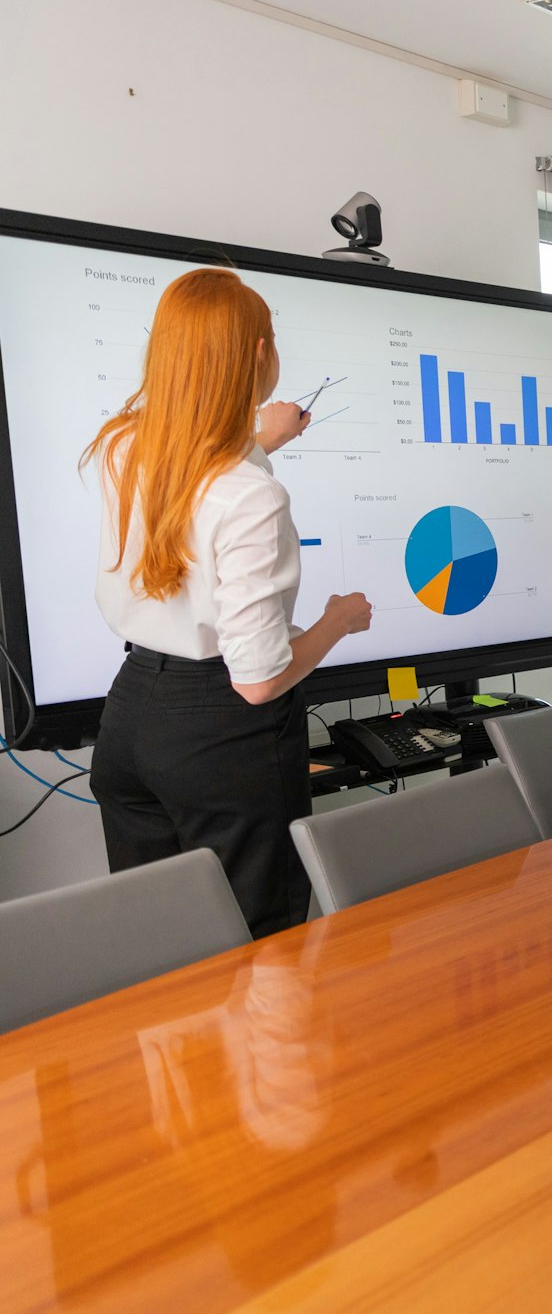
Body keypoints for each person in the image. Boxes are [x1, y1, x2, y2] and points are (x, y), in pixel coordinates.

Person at [85, 268, 374, 938]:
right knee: (259, 951)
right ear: (257, 356)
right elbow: (260, 678)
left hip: (130, 720)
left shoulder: (124, 445)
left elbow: (191, 480)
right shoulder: (248, 493)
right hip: (221, 737)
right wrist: (336, 622)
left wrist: (258, 442)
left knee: (161, 948)